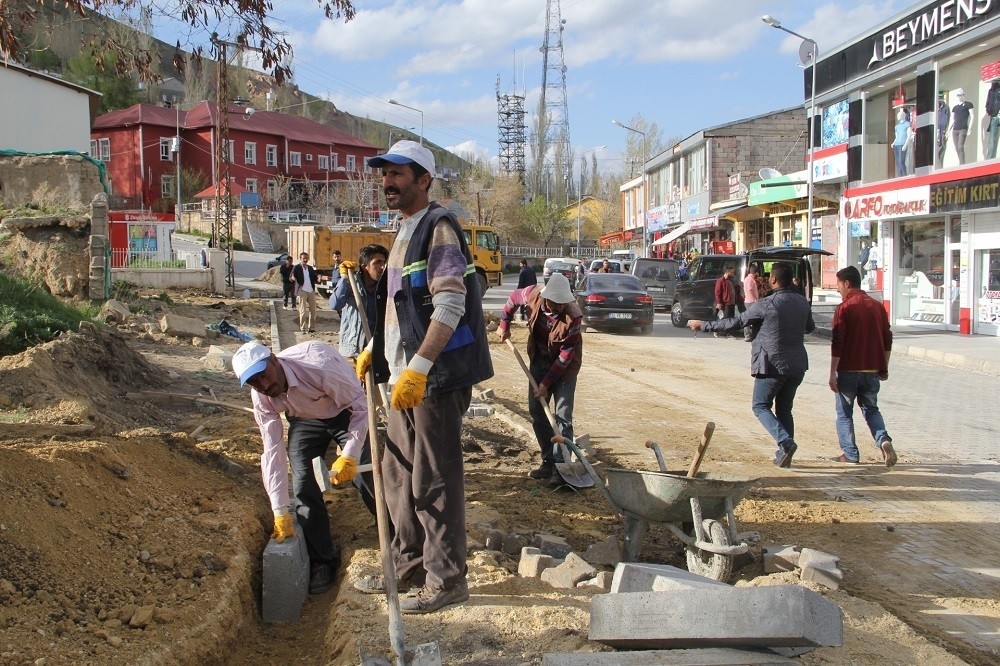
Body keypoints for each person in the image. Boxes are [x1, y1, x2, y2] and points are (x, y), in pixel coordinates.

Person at [355, 140, 493, 614]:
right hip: (403, 377)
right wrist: (377, 350)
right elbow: (403, 310)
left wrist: (418, 367)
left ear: (423, 180)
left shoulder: (439, 230)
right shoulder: (404, 231)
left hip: (433, 378)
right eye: (385, 174)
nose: (388, 182)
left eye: (399, 174)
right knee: (395, 476)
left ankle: (448, 579)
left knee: (433, 481)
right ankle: (407, 565)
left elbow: (450, 304)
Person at [231, 340, 369, 595]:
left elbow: (362, 407)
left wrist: (349, 454)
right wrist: (279, 510)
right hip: (305, 419)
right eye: (254, 382)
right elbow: (272, 451)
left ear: (274, 360)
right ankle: (321, 560)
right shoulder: (262, 395)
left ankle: (398, 534)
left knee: (366, 474)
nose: (263, 385)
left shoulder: (319, 367)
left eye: (264, 375)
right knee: (304, 482)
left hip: (344, 410)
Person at [687, 264, 815, 468]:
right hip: (797, 364)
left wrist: (702, 325)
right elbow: (810, 327)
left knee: (760, 405)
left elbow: (735, 322)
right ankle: (785, 452)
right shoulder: (801, 302)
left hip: (772, 364)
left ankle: (785, 442)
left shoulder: (767, 303)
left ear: (773, 279)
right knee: (784, 409)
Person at [496, 272, 583, 484]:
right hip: (539, 359)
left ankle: (562, 468)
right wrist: (504, 324)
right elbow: (512, 298)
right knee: (537, 411)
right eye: (558, 303)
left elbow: (565, 355)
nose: (562, 307)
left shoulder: (574, 316)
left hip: (564, 368)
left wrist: (546, 383)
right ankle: (548, 462)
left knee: (562, 417)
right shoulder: (531, 295)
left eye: (564, 302)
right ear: (548, 298)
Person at [828, 266, 897, 468]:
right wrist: (884, 367)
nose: (837, 289)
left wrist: (832, 372)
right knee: (871, 409)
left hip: (848, 370)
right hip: (872, 371)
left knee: (844, 413)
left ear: (847, 283)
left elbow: (837, 342)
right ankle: (883, 439)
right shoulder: (877, 306)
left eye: (838, 284)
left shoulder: (845, 308)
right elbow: (887, 338)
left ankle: (850, 454)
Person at [331, 244, 390, 364]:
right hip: (352, 351)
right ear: (364, 266)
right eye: (377, 262)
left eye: (384, 262)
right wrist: (344, 278)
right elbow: (335, 304)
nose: (382, 266)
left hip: (374, 349)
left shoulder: (385, 288)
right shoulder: (352, 283)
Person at [292, 252, 318, 334]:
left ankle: (312, 328)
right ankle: (303, 328)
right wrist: (293, 278)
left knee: (313, 310)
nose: (305, 260)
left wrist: (319, 278)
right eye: (304, 258)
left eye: (306, 258)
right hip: (302, 291)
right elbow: (292, 276)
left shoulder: (310, 268)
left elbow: (314, 278)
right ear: (300, 259)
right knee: (303, 311)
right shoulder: (296, 268)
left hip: (311, 290)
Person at [713, 264, 741, 338]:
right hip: (725, 302)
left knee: (731, 318)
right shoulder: (721, 281)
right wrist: (719, 302)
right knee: (725, 318)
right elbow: (717, 292)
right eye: (731, 272)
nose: (733, 274)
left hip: (732, 302)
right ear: (727, 272)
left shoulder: (731, 280)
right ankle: (716, 330)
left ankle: (728, 333)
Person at [951, 88, 974, 165]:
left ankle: (962, 163)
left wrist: (970, 128)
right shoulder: (955, 107)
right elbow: (952, 119)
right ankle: (961, 162)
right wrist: (948, 130)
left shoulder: (968, 104)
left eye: (960, 95)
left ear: (963, 95)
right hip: (955, 129)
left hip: (963, 128)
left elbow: (972, 115)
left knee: (960, 146)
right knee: (957, 147)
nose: (959, 97)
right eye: (958, 96)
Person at [742, 264, 761, 342]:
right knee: (750, 319)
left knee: (749, 318)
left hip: (748, 301)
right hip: (751, 302)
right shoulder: (750, 279)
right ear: (756, 272)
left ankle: (749, 335)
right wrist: (756, 299)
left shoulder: (747, 278)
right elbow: (750, 290)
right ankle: (747, 335)